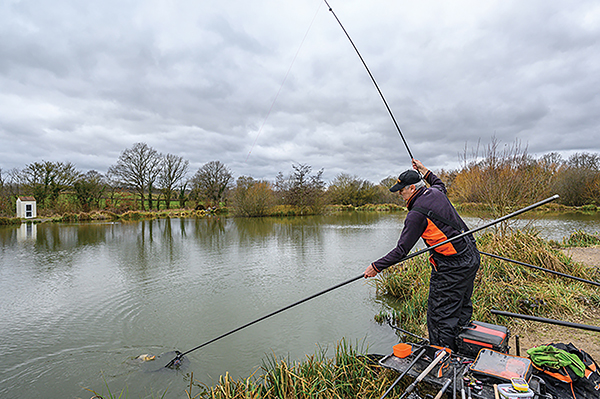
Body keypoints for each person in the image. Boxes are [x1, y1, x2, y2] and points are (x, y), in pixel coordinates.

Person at [364, 159, 480, 350]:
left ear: (411, 188)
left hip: (452, 267)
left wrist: (376, 267)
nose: (400, 194)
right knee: (461, 307)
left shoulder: (416, 214)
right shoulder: (435, 192)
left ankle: (443, 358)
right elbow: (439, 183)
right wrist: (425, 171)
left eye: (401, 190)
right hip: (470, 254)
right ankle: (461, 350)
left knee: (440, 316)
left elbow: (401, 250)